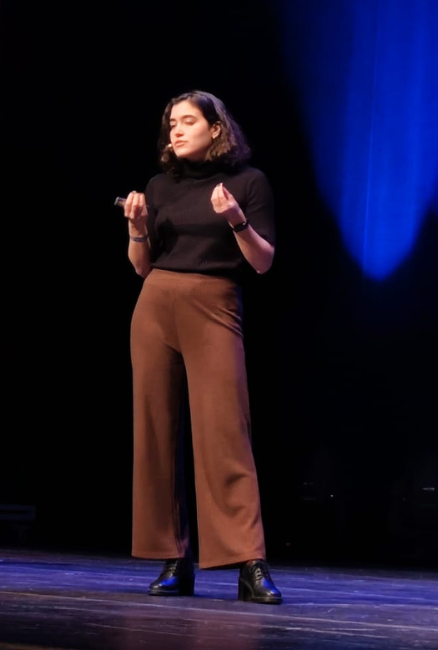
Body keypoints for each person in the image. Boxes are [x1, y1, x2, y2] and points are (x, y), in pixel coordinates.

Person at [120, 90, 282, 604]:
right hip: (155, 303)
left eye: (188, 121)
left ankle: (249, 562)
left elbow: (262, 262)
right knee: (155, 432)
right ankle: (173, 558)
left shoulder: (248, 182)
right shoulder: (159, 186)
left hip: (213, 303)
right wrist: (137, 229)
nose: (176, 130)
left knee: (224, 431)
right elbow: (141, 266)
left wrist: (236, 219)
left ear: (216, 128)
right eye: (172, 123)